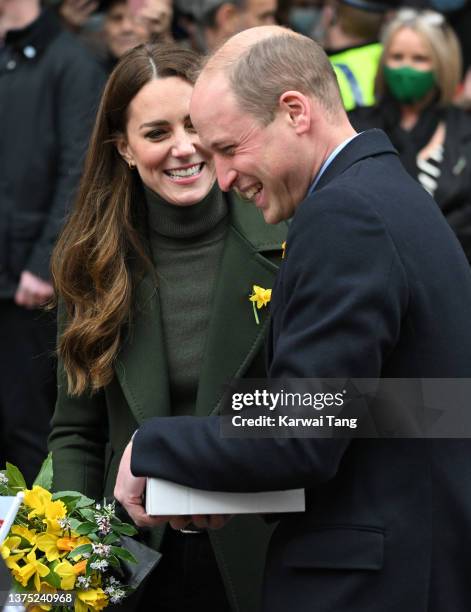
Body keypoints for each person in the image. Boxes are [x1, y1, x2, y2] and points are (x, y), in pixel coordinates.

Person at [114, 26, 471, 612]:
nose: (224, 178)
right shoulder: (385, 193)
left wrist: (153, 447)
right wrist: (221, 475)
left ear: (295, 112)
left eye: (229, 149)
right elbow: (397, 405)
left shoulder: (345, 215)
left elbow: (303, 430)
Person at [48, 43, 287, 612]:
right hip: (135, 556)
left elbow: (330, 406)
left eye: (195, 126)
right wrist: (66, 576)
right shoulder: (91, 264)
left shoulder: (290, 238)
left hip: (265, 552)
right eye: (157, 133)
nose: (184, 148)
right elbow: (76, 433)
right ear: (124, 150)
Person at [0, 0, 105, 485]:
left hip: (28, 287)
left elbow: (78, 171)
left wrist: (45, 262)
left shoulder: (71, 63)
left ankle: (26, 557)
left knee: (27, 433)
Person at [349, 8, 471, 262]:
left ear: (441, 64)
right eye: (396, 57)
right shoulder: (355, 124)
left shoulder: (464, 130)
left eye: (419, 59)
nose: (406, 68)